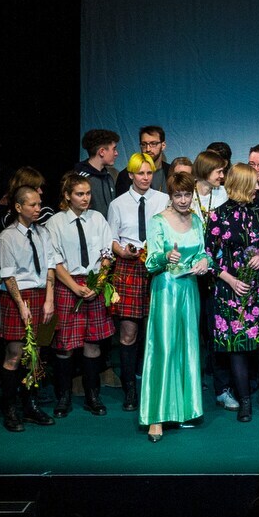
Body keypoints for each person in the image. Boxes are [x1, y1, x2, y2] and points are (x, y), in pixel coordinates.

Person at [206, 163, 259, 422]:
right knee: (237, 348)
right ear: (241, 185)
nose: (257, 186)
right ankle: (244, 403)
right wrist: (229, 279)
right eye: (252, 182)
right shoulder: (218, 215)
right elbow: (208, 257)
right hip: (232, 290)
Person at [141, 170, 210, 440]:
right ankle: (156, 417)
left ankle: (184, 410)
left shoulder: (196, 219)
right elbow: (150, 263)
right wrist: (164, 256)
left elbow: (204, 251)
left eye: (187, 195)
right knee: (165, 348)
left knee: (189, 347)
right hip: (166, 289)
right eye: (178, 195)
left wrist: (206, 262)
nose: (183, 200)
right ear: (170, 196)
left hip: (190, 289)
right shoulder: (158, 221)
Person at [106, 152, 169, 412]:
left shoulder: (163, 199)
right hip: (129, 268)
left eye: (149, 172)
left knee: (157, 330)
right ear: (130, 175)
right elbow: (110, 240)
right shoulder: (118, 204)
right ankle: (130, 387)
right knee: (129, 332)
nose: (145, 177)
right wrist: (123, 251)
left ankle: (156, 385)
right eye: (140, 173)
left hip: (156, 267)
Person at [49, 171, 115, 418]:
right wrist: (74, 287)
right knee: (65, 344)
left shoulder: (97, 218)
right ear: (68, 195)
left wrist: (98, 284)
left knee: (92, 342)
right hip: (68, 285)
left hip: (94, 284)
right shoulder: (55, 222)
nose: (85, 198)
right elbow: (54, 261)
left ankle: (92, 395)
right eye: (80, 194)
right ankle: (63, 396)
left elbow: (107, 254)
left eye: (87, 193)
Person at [0, 184, 57, 430]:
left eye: (39, 204)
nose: (37, 209)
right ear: (18, 207)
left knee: (36, 355)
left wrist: (50, 298)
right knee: (15, 354)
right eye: (32, 205)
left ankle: (30, 404)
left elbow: (51, 264)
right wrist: (21, 304)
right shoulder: (7, 237)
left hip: (43, 295)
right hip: (19, 296)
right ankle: (9, 407)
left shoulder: (43, 233)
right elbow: (8, 275)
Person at [113, 125, 171, 195]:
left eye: (153, 144)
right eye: (144, 144)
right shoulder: (125, 175)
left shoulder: (172, 171)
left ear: (163, 145)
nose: (148, 149)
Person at [74, 128, 121, 214]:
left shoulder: (109, 176)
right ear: (102, 152)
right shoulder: (80, 178)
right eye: (114, 149)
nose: (116, 153)